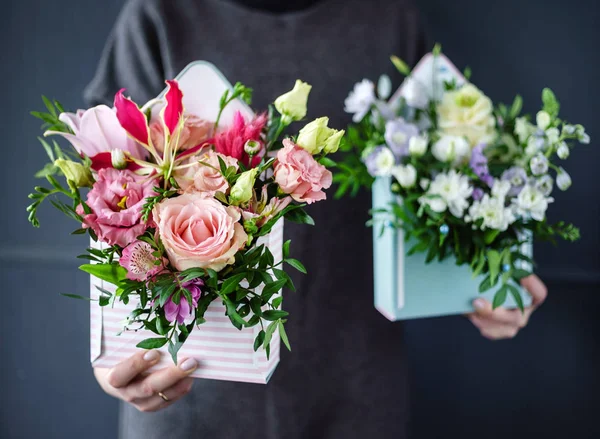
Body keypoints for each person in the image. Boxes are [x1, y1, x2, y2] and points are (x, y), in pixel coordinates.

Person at [86, 0, 548, 437]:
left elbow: (440, 178)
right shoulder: (159, 16)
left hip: (357, 392)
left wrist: (486, 272)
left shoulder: (389, 19)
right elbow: (106, 194)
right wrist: (111, 357)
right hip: (189, 394)